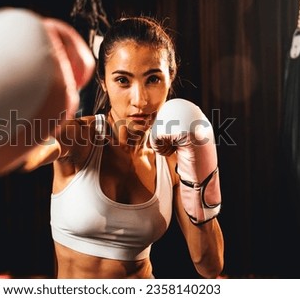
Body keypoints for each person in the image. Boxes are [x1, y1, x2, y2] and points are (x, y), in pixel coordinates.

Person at [21, 16, 224, 279]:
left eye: (153, 79)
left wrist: (201, 176)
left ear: (170, 78)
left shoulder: (173, 158)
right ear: (103, 81)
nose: (139, 101)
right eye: (122, 81)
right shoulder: (79, 138)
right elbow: (25, 157)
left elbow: (209, 265)